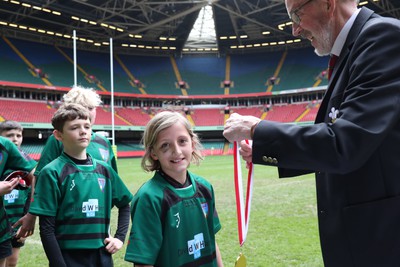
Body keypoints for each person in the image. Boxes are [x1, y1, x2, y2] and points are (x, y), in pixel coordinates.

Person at [223, 1, 400, 266]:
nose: (294, 29)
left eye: (296, 14)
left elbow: (345, 144)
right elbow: (357, 145)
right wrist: (260, 149)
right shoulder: (353, 50)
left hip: (382, 240)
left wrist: (257, 129)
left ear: (328, 4)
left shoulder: (381, 37)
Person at [29, 103, 133, 267]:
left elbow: (124, 204)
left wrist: (119, 238)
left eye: (87, 126)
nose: (83, 131)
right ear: (58, 135)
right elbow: (47, 230)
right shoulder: (52, 172)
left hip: (102, 255)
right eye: (74, 127)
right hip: (68, 257)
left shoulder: (104, 169)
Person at [14, 85, 118, 238]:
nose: (88, 112)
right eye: (83, 107)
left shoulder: (104, 142)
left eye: (91, 107)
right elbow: (40, 176)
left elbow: (113, 181)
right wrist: (32, 214)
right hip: (67, 216)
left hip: (99, 217)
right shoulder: (58, 140)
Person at [124, 111, 223, 267]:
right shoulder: (149, 198)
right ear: (153, 153)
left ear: (193, 143)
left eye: (182, 141)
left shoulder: (205, 187)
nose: (176, 151)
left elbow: (211, 240)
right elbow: (143, 263)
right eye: (165, 145)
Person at [0, 121, 37, 267]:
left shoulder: (5, 146)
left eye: (18, 135)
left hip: (5, 226)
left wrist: (30, 215)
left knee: (11, 261)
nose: (15, 139)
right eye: (10, 135)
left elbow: (36, 175)